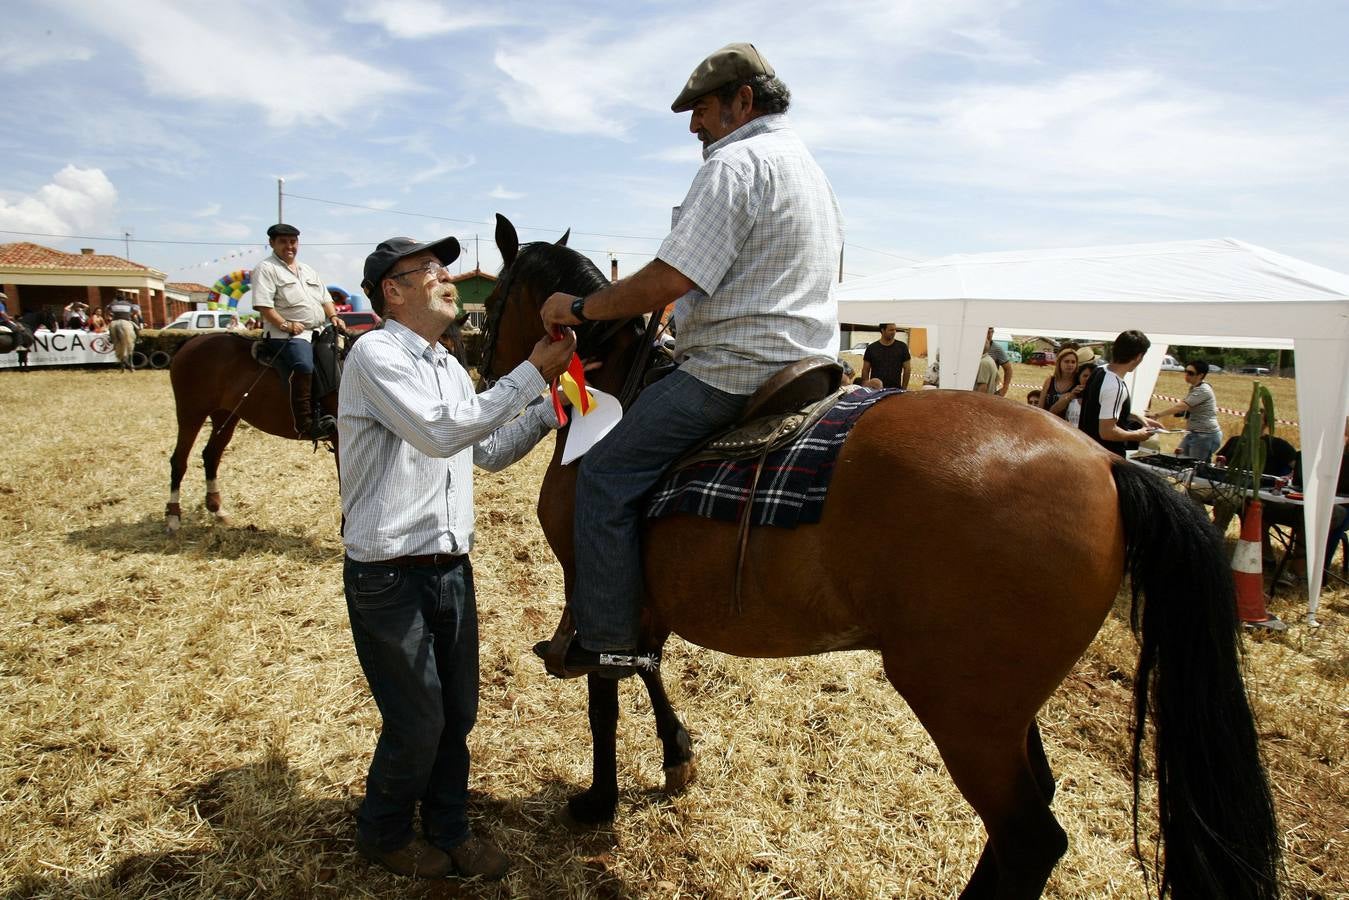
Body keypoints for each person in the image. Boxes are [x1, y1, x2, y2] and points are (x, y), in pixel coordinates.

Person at [535, 42, 843, 678]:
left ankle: (609, 637)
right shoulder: (810, 169)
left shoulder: (735, 164)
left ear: (743, 101)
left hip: (734, 371)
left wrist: (583, 307)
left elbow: (667, 280)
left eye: (701, 109)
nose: (694, 125)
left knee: (606, 473)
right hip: (808, 365)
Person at [339, 235, 577, 880]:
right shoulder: (375, 353)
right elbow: (443, 433)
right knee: (418, 719)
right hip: (388, 575)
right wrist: (531, 373)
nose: (448, 279)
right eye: (432, 271)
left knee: (457, 714)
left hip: (449, 569)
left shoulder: (445, 363)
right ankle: (384, 831)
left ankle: (449, 827)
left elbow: (485, 451)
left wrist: (550, 410)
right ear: (394, 290)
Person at [251, 223, 346, 439]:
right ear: (272, 243)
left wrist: (334, 317)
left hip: (318, 330)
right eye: (283, 241)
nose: (289, 246)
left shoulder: (307, 270)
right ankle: (306, 422)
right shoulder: (266, 269)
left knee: (343, 355)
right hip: (287, 334)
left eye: (292, 241)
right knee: (304, 364)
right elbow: (264, 306)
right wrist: (286, 324)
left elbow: (325, 299)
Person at [1078, 330, 1162, 456]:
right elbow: (1107, 432)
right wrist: (1136, 435)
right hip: (1105, 458)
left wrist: (1139, 417)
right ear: (1138, 357)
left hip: (1087, 450)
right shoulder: (1114, 386)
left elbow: (1101, 410)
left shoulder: (1099, 371)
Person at [1152, 359, 1222, 462]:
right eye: (1186, 371)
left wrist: (1157, 415)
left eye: (1191, 373)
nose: (1186, 375)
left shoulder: (1203, 390)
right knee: (1180, 460)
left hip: (1205, 435)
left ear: (1200, 375)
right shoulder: (1195, 387)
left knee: (1194, 467)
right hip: (1195, 433)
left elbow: (1181, 406)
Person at [860, 323, 911, 390]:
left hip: (895, 390)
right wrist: (866, 389)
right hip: (876, 391)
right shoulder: (872, 348)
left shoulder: (902, 347)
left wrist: (904, 388)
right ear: (883, 330)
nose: (894, 332)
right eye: (891, 330)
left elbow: (907, 369)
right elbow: (865, 370)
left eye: (895, 330)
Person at [1038, 348, 1079, 417]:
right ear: (1059, 363)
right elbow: (1040, 407)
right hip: (1048, 422)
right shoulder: (1050, 380)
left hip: (1067, 425)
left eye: (1073, 362)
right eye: (1066, 361)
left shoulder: (1078, 383)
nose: (1070, 365)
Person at [107, 294, 141, 372]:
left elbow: (107, 309)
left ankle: (111, 338)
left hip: (115, 321)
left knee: (110, 327)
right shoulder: (128, 304)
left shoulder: (113, 303)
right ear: (124, 299)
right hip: (126, 320)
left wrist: (109, 315)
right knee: (136, 328)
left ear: (117, 299)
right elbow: (136, 310)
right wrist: (131, 315)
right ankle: (139, 338)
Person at [1063, 362, 1096, 428]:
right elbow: (1053, 411)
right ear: (1079, 377)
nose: (1088, 379)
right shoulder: (1070, 395)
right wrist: (1070, 396)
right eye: (1085, 376)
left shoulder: (1099, 399)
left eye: (1092, 376)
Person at [984, 327, 1013, 396]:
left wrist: (1004, 389)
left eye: (992, 332)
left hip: (989, 391)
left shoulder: (997, 348)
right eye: (988, 332)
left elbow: (1008, 369)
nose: (990, 335)